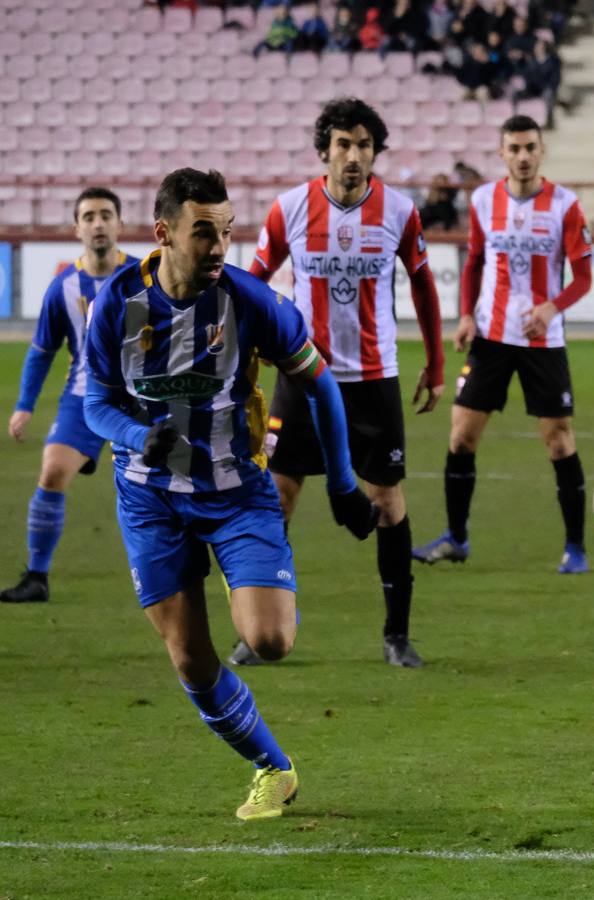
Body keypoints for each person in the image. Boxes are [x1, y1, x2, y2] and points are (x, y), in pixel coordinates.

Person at [82, 168, 379, 820]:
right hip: (148, 498)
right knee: (191, 660)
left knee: (270, 641)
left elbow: (320, 385)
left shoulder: (249, 301)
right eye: (204, 233)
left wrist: (343, 484)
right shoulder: (115, 304)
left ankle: (229, 568)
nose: (219, 246)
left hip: (235, 490)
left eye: (226, 231)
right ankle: (273, 767)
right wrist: (136, 434)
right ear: (163, 234)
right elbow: (94, 403)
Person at [241, 97, 446, 668]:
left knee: (386, 498)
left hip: (374, 380)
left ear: (375, 152)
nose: (353, 156)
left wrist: (434, 362)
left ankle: (396, 635)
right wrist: (242, 358)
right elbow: (254, 283)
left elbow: (424, 286)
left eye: (364, 145)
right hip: (302, 374)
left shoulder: (400, 212)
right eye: (343, 145)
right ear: (324, 150)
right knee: (278, 495)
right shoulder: (290, 209)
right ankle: (263, 627)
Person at [414, 115, 593, 574]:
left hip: (542, 342)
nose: (523, 156)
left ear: (542, 150)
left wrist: (552, 308)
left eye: (530, 147)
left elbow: (584, 277)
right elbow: (474, 260)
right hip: (490, 338)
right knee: (461, 436)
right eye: (514, 148)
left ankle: (575, 547)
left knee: (558, 442)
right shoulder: (481, 199)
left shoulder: (565, 205)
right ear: (502, 153)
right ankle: (456, 537)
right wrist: (468, 315)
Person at [0, 188, 139, 604]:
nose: (98, 223)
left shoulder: (141, 277)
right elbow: (42, 351)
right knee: (52, 473)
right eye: (89, 216)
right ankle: (37, 577)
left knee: (163, 487)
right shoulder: (62, 287)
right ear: (77, 228)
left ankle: (176, 570)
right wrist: (25, 405)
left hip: (141, 400)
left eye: (106, 215)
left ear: (119, 224)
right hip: (83, 398)